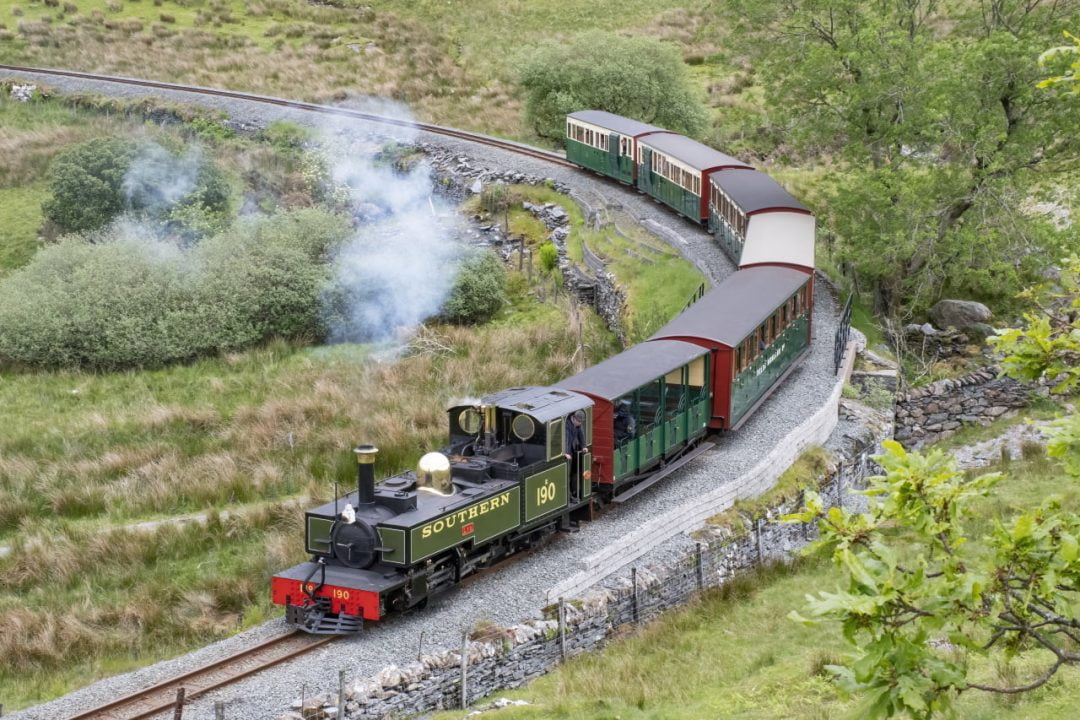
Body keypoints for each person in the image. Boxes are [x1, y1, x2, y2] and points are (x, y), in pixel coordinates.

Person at [564, 410, 586, 501]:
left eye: (581, 422)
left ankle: (573, 492)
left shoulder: (577, 425)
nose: (580, 424)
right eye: (579, 422)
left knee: (572, 473)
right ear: (573, 418)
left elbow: (581, 434)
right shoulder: (567, 426)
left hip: (571, 452)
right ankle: (568, 496)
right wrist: (565, 453)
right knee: (566, 475)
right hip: (566, 453)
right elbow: (566, 440)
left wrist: (584, 446)